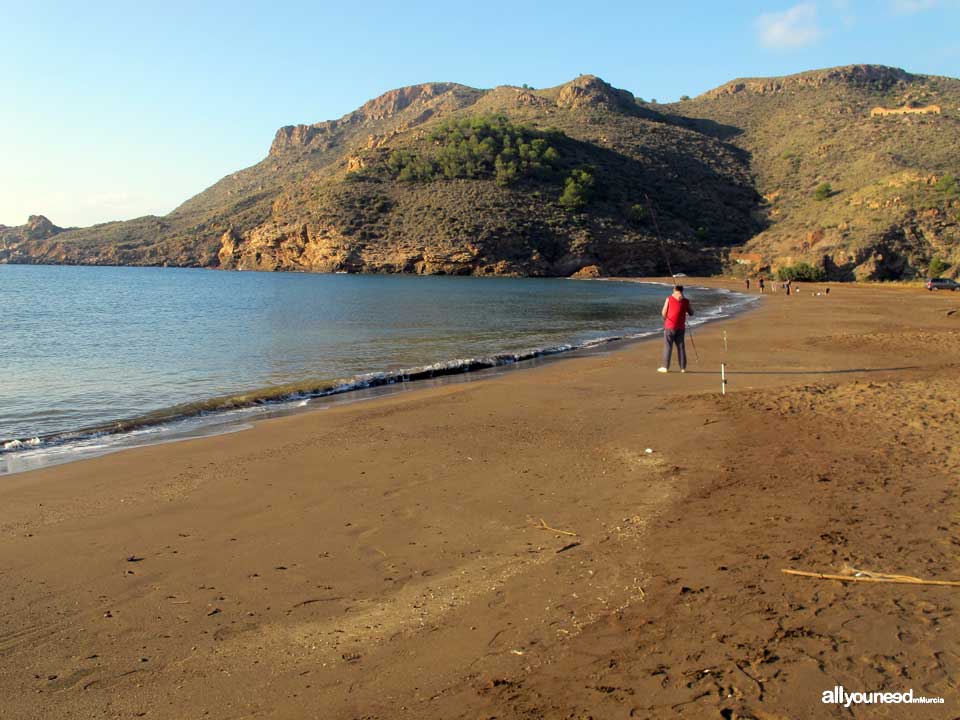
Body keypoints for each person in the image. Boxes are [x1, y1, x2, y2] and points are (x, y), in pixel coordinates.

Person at [658, 285, 694, 373]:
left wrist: (666, 320)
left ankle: (665, 367)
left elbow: (663, 313)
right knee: (681, 347)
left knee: (668, 346)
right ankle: (683, 368)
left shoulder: (669, 298)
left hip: (669, 326)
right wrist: (684, 302)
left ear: (674, 290)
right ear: (682, 291)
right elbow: (691, 313)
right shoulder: (686, 301)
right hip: (681, 327)